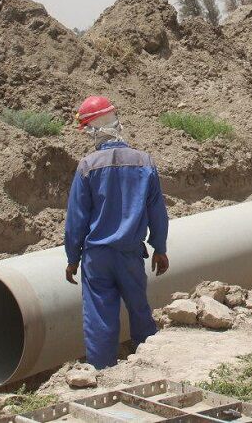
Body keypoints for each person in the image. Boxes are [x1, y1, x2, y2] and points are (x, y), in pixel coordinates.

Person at [64, 96, 170, 369]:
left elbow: (76, 218)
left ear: (92, 130)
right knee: (139, 310)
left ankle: (101, 374)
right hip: (130, 254)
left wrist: (72, 257)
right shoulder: (144, 162)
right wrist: (160, 248)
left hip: (97, 256)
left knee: (100, 316)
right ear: (115, 121)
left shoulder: (87, 166)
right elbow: (157, 211)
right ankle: (150, 366)